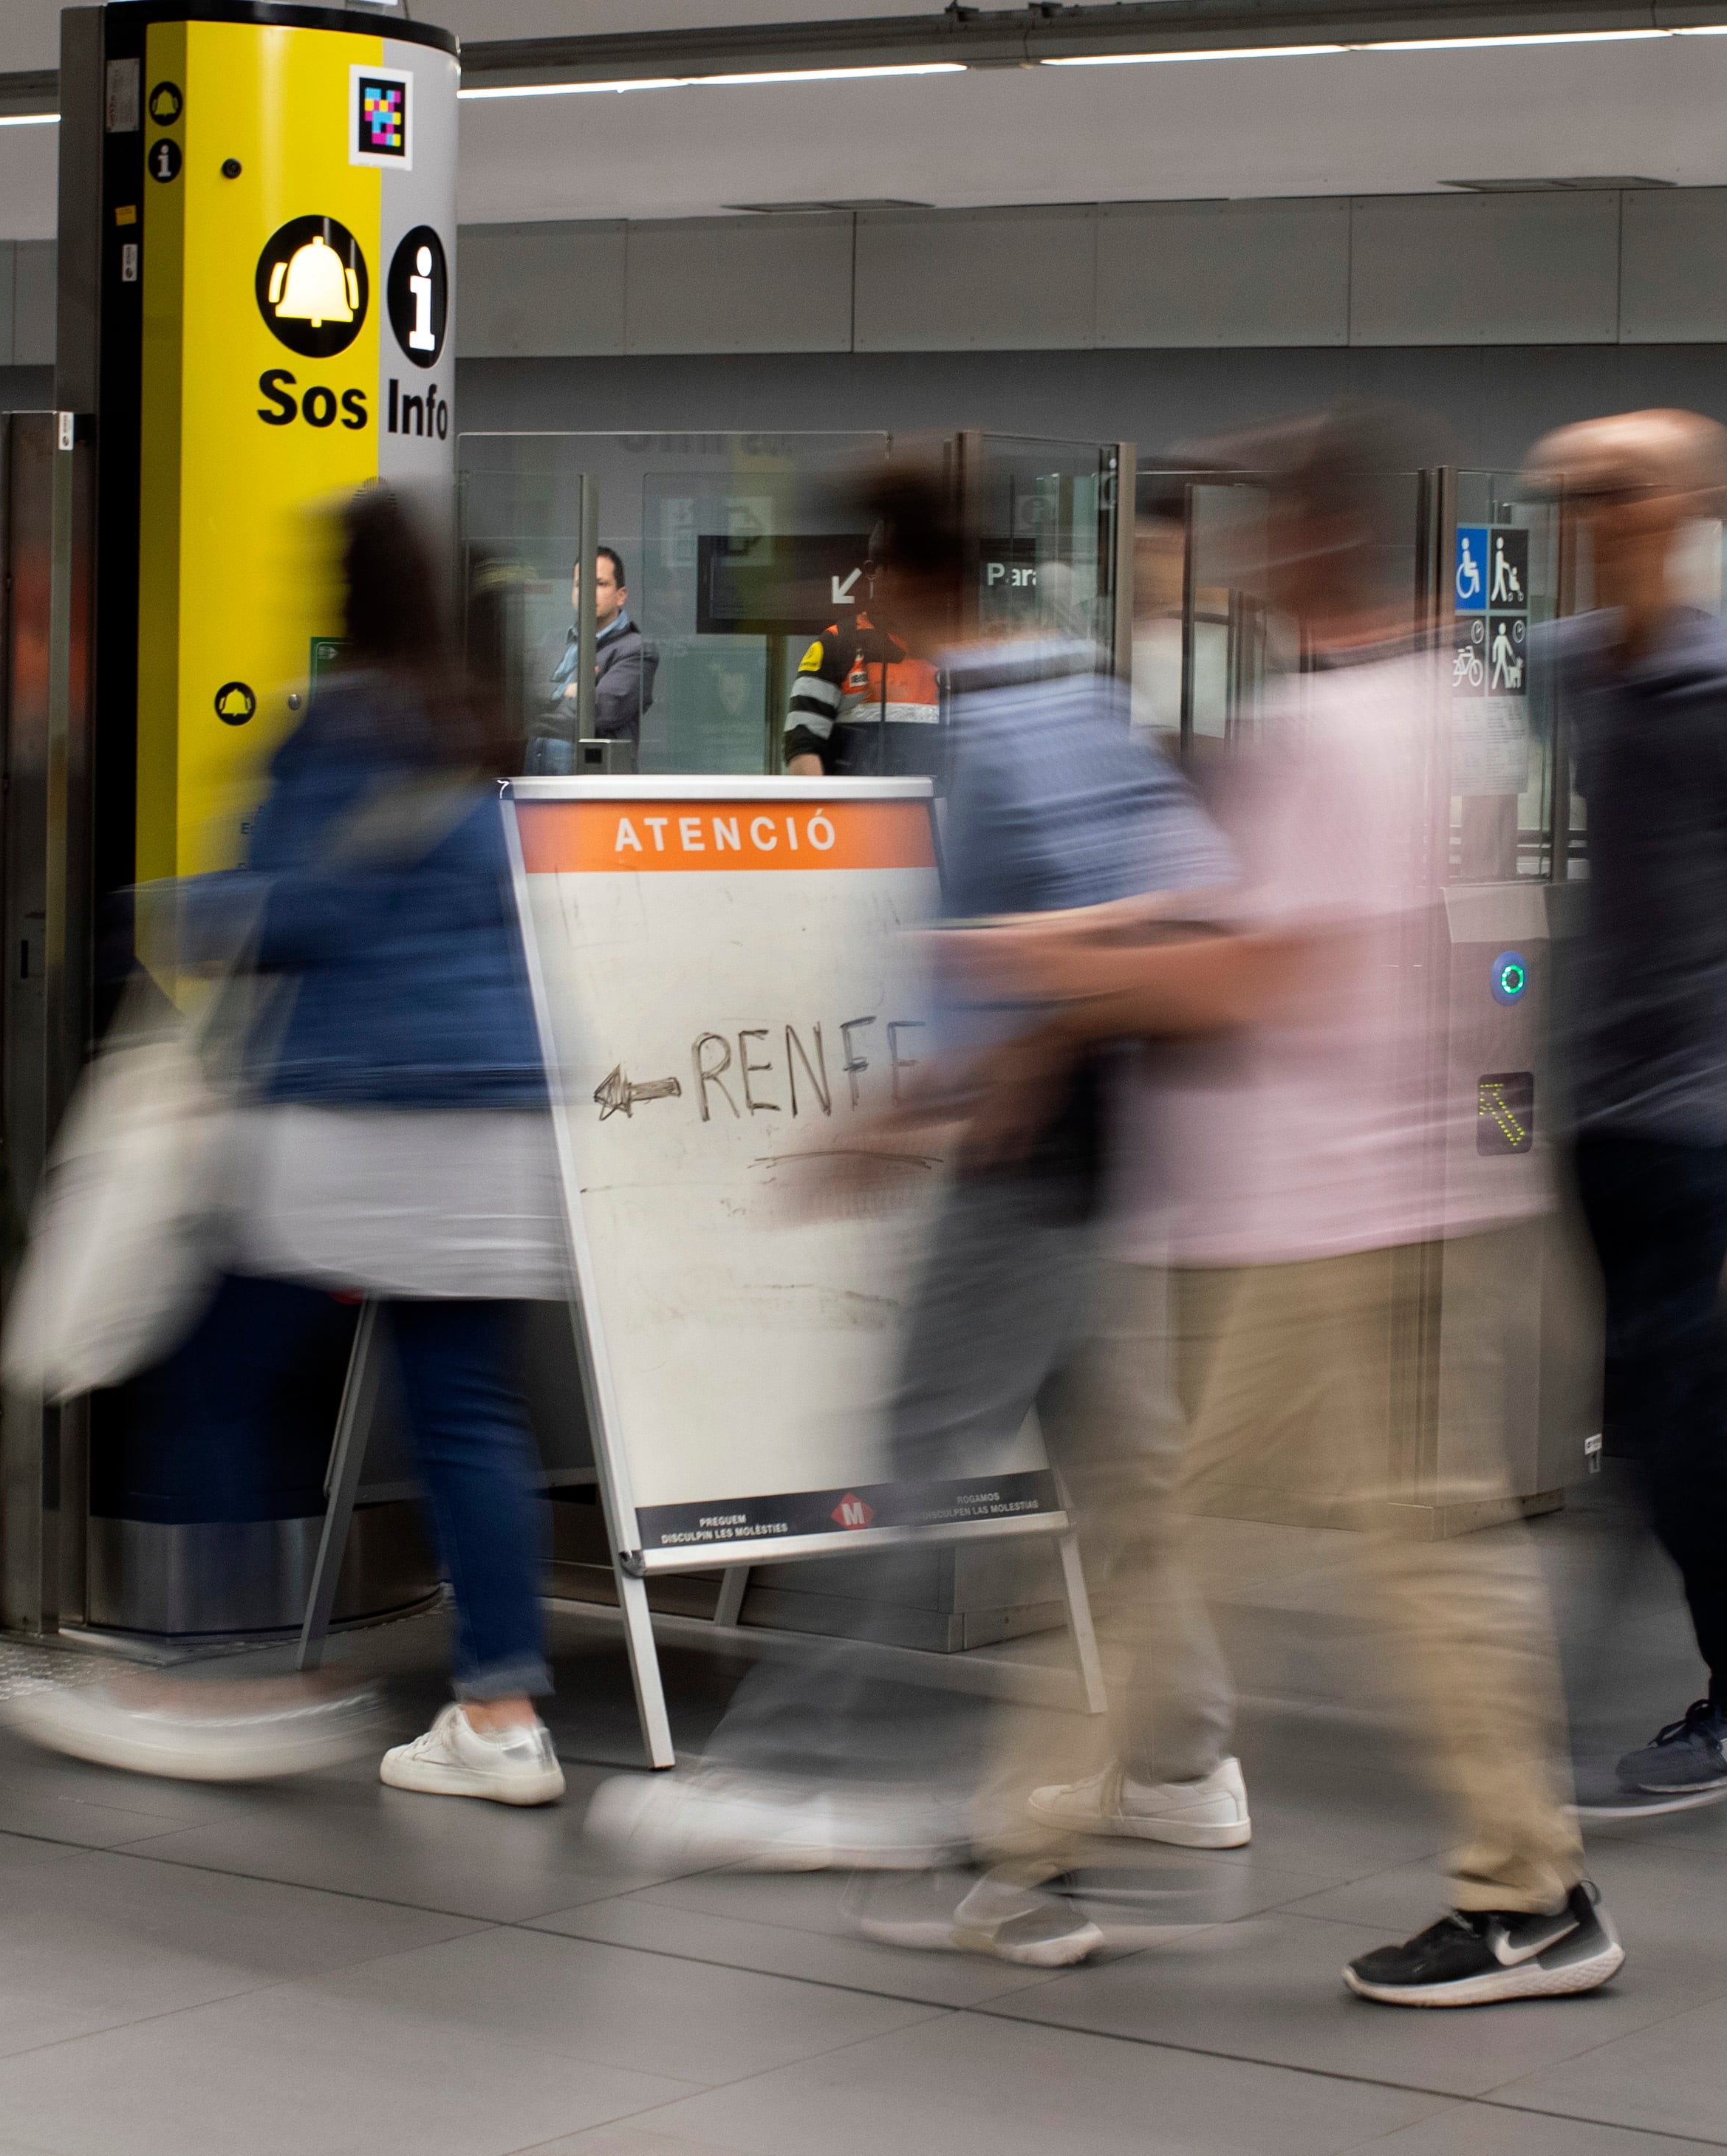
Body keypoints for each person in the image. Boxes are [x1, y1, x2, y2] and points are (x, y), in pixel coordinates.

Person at [999, 409, 1619, 2007]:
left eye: (1259, 536)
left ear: (1312, 547)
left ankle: (1525, 1887)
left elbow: (1258, 962)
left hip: (1354, 1214)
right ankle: (1036, 1826)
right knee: (1235, 1523)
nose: (1239, 567)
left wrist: (1053, 967)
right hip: (1377, 1192)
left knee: (1353, 1533)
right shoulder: (1452, 706)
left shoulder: (1330, 733)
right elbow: (1281, 912)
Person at [592, 462, 1243, 1966]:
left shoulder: (1008, 735)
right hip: (1096, 1160)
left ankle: (799, 1762)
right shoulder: (1073, 701)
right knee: (1121, 1463)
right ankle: (1188, 1755)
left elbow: (1130, 928)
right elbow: (1176, 887)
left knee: (901, 1448)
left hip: (1027, 1158)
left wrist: (971, 1073)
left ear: (888, 577)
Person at [16, 487, 573, 1804]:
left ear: (341, 597)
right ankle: (501, 1712)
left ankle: (205, 1675)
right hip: (503, 1117)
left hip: (357, 1117)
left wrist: (152, 908)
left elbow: (299, 903)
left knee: (215, 1370)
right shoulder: (486, 730)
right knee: (467, 1408)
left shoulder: (340, 724)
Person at [1526, 409, 1727, 1814]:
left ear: (1691, 507)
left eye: (1618, 492)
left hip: (1708, 1106)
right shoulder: (1574, 667)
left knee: (1676, 1417)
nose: (1592, 517)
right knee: (1643, 1414)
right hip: (1602, 1102)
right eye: (1573, 496)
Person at [781, 552, 941, 778]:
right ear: (872, 571)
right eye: (902, 569)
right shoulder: (837, 643)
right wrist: (824, 811)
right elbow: (803, 748)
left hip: (935, 809)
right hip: (856, 809)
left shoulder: (950, 650)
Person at [524, 546, 656, 776]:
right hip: (534, 775)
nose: (587, 591)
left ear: (621, 595)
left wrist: (541, 704)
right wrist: (566, 691)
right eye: (580, 584)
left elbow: (601, 710)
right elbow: (520, 702)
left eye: (600, 584)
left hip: (592, 785)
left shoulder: (636, 649)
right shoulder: (552, 642)